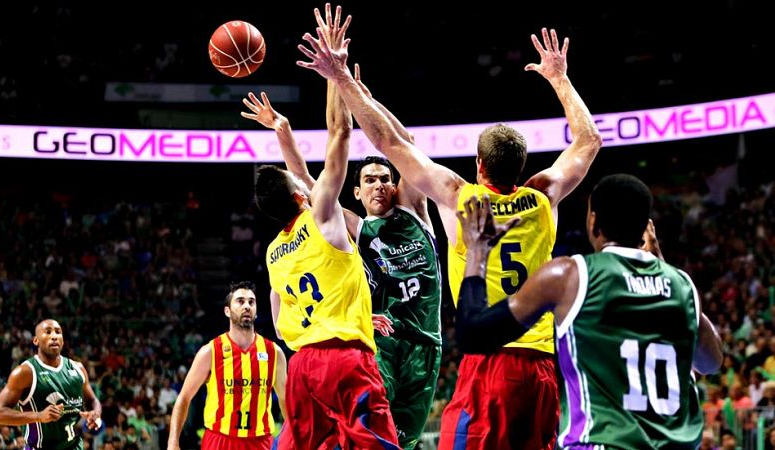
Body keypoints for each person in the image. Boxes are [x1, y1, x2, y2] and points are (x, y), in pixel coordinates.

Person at [298, 17, 602, 449]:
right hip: (541, 368)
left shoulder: (460, 199)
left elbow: (390, 142)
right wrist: (560, 79)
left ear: (479, 165)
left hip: (487, 362)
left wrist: (343, 79)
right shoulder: (544, 196)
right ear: (523, 166)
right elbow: (589, 141)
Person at [242, 58, 440, 450]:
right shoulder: (349, 224)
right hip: (372, 344)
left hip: (423, 344)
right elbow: (312, 179)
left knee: (405, 441)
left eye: (386, 178)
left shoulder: (415, 210)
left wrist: (355, 94)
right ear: (355, 192)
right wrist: (339, 82)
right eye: (369, 179)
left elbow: (407, 148)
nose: (380, 184)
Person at [454, 174, 723, 449]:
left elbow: (472, 335)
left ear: (593, 222)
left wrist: (477, 252)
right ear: (646, 227)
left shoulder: (570, 275)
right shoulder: (683, 285)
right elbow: (710, 363)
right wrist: (665, 269)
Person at [255, 6, 399, 449]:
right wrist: (336, 71)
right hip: (347, 362)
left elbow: (281, 328)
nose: (305, 180)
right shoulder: (323, 216)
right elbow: (339, 132)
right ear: (301, 196)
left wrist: (283, 131)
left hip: (302, 368)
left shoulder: (274, 252)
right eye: (301, 183)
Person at [167, 281, 287, 450]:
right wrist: (173, 442)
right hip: (220, 440)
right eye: (240, 301)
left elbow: (285, 400)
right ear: (227, 311)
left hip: (260, 441)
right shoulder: (210, 352)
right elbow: (184, 397)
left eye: (251, 302)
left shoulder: (274, 352)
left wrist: (296, 438)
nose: (247, 306)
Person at [0, 319, 102, 450]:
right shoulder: (25, 372)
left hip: (74, 446)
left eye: (58, 332)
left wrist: (95, 413)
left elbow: (92, 400)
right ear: (36, 340)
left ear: (63, 339)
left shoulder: (78, 368)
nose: (54, 336)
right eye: (48, 332)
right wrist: (39, 416)